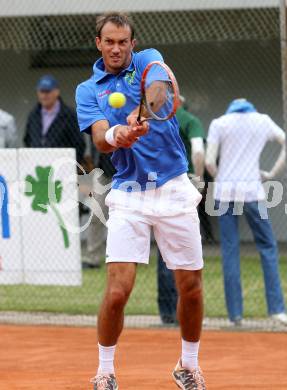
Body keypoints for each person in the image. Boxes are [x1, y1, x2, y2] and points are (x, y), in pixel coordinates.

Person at [76, 12, 206, 390]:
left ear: (132, 43)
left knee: (191, 287)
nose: (116, 48)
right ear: (98, 44)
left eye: (123, 42)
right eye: (109, 42)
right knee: (118, 291)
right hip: (129, 193)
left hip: (173, 187)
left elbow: (159, 93)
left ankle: (188, 366)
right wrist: (120, 133)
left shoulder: (150, 59)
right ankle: (104, 372)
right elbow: (100, 137)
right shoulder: (89, 90)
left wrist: (142, 113)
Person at [205, 98, 287, 326]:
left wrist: (220, 175)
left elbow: (210, 162)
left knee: (230, 250)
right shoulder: (262, 121)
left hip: (224, 192)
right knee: (268, 246)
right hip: (253, 192)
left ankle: (235, 316)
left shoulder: (219, 123)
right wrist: (271, 174)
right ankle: (277, 310)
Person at [157, 96, 206, 325]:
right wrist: (198, 178)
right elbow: (197, 150)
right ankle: (182, 313)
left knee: (163, 251)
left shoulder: (157, 117)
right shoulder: (190, 120)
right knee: (185, 251)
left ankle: (166, 311)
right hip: (181, 181)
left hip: (156, 183)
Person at [24, 75, 85, 164]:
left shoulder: (69, 115)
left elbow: (79, 144)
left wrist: (71, 165)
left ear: (57, 92)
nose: (44, 95)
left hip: (62, 167)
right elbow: (27, 140)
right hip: (37, 165)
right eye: (42, 91)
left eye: (48, 91)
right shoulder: (33, 115)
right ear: (37, 92)